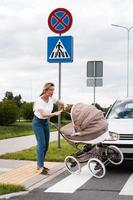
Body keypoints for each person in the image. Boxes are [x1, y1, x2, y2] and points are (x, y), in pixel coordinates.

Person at [32, 82, 67, 175]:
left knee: (46, 145)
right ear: (46, 90)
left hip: (45, 123)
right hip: (37, 123)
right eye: (51, 90)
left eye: (53, 90)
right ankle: (39, 166)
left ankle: (41, 165)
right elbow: (43, 114)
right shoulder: (39, 100)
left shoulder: (51, 98)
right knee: (41, 144)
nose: (52, 92)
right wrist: (55, 113)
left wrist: (64, 104)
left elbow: (59, 101)